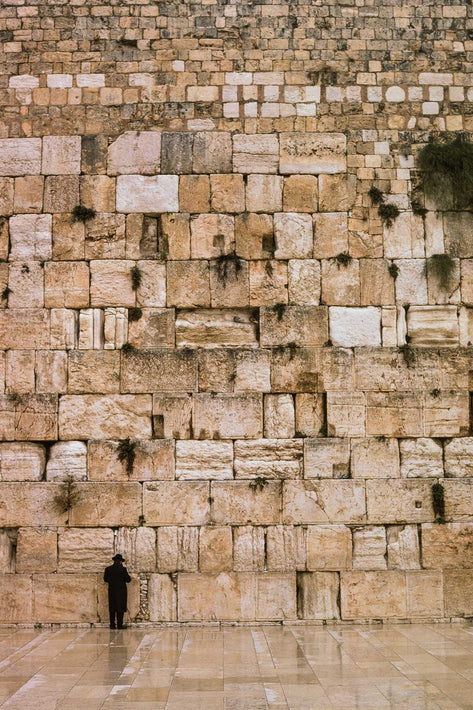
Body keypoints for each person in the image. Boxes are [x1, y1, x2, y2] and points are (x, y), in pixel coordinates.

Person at [104, 553, 131, 629]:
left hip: (112, 591)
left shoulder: (108, 569)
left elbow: (105, 579)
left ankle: (112, 624)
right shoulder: (123, 569)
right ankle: (119, 624)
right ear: (120, 561)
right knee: (120, 607)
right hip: (121, 591)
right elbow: (128, 580)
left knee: (112, 607)